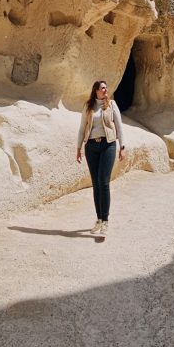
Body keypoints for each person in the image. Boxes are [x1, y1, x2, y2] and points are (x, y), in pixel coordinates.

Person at [76, 80, 126, 235]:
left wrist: (122, 147)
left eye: (106, 88)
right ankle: (98, 219)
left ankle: (105, 221)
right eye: (103, 88)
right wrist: (78, 148)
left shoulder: (111, 105)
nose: (106, 90)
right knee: (96, 184)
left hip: (108, 145)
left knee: (103, 182)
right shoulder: (88, 106)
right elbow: (82, 128)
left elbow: (119, 126)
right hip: (91, 147)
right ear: (96, 90)